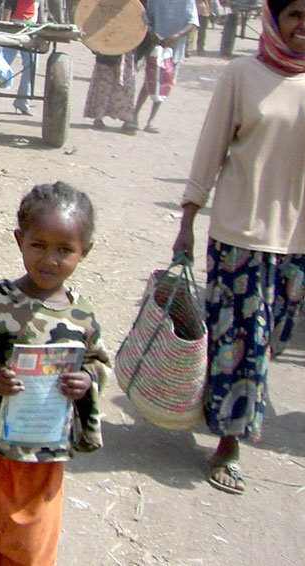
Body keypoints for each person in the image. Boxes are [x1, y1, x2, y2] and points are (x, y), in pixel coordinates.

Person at [172, 0, 305, 495]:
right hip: (240, 236)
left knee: (271, 342)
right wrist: (188, 216)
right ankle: (231, 440)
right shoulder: (242, 75)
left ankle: (213, 406)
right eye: (294, 15)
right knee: (244, 342)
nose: (302, 28)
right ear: (274, 19)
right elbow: (210, 149)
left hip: (298, 243)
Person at [0, 182, 111, 566]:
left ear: (85, 251)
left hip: (42, 461)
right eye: (39, 245)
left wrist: (86, 383)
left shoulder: (81, 318)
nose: (50, 259)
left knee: (30, 552)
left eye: (64, 249)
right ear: (20, 241)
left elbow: (99, 364)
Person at [125, 0, 199, 132]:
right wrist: (153, 34)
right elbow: (147, 19)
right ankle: (134, 115)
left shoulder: (188, 2)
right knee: (149, 82)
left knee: (164, 83)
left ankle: (151, 120)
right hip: (155, 46)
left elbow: (193, 22)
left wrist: (176, 36)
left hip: (174, 49)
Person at [1, 0, 40, 115]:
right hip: (14, 28)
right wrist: (5, 28)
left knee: (32, 66)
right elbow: (7, 7)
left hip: (32, 29)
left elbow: (40, 10)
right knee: (2, 64)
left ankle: (23, 100)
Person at [83, 51, 138, 130]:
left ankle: (128, 118)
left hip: (128, 51)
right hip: (108, 49)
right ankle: (98, 117)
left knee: (127, 85)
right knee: (104, 84)